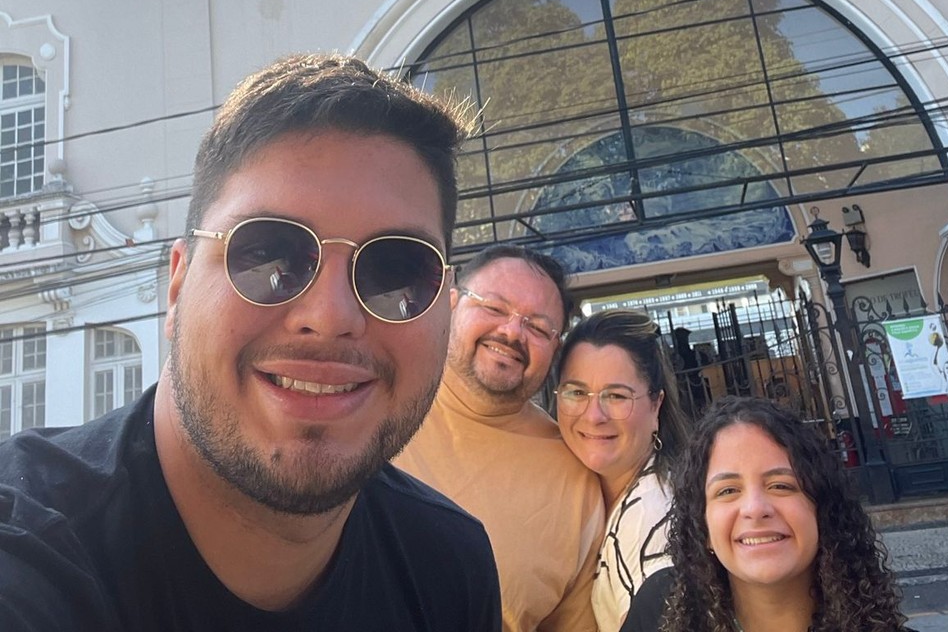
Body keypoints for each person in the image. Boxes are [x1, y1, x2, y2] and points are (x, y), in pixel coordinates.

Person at [0, 53, 501, 631]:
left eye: (397, 271)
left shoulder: (449, 567)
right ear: (178, 286)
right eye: (268, 253)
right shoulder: (29, 555)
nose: (331, 316)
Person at [396, 245, 605, 632]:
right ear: (451, 303)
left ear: (555, 349)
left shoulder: (577, 480)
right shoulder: (371, 408)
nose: (512, 332)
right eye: (494, 307)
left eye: (538, 328)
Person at [621, 396, 915, 632]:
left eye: (781, 486)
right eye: (727, 490)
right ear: (702, 527)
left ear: (823, 511)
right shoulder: (659, 610)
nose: (755, 509)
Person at [555, 310, 689, 631]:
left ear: (656, 405)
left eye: (616, 395)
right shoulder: (588, 492)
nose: (594, 415)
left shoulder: (652, 520)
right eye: (576, 392)